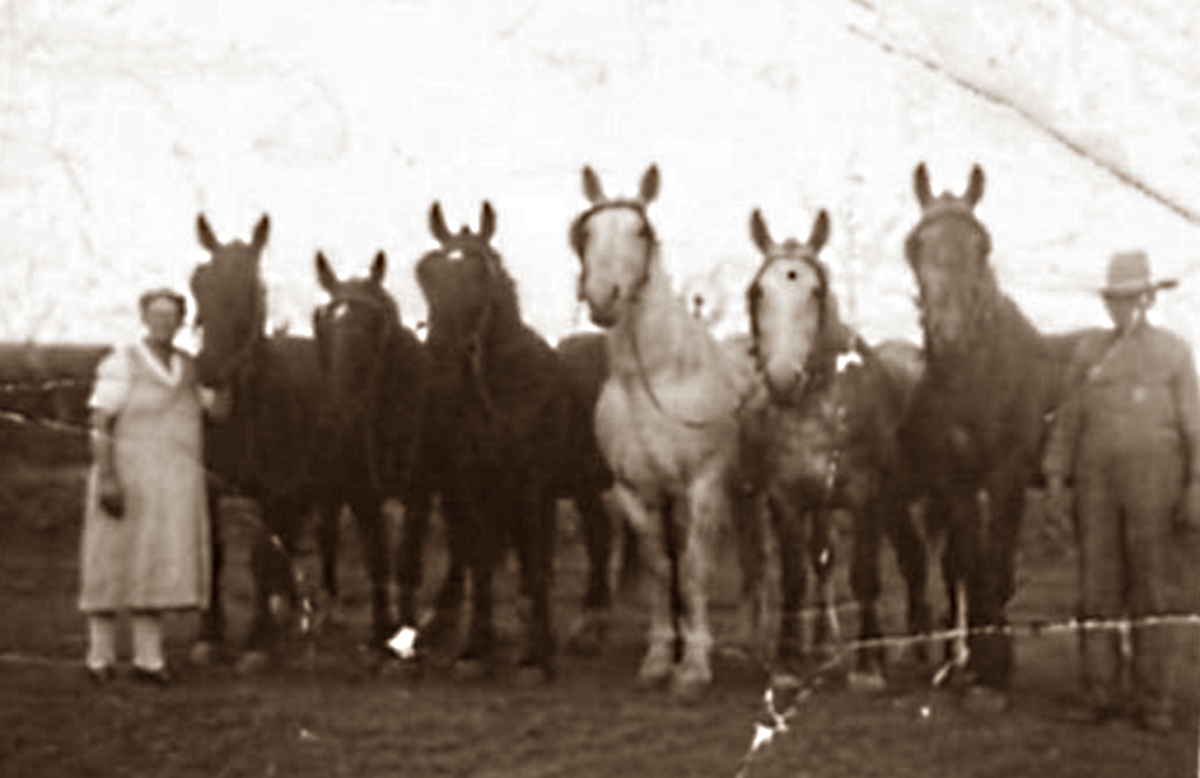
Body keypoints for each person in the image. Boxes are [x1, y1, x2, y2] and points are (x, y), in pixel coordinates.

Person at [1043, 250, 1200, 731]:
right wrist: (1055, 480)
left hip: (1157, 489)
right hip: (1096, 490)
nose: (1122, 308)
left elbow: (1196, 429)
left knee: (1154, 591)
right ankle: (1100, 693)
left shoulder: (1174, 352)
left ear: (1148, 300)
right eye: (1115, 300)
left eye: (1131, 299)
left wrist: (1196, 486)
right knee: (1098, 591)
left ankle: (1156, 700)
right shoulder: (1089, 352)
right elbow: (1067, 422)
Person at [80, 287, 218, 685]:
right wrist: (108, 476)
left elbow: (219, 410)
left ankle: (148, 659)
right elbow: (100, 422)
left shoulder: (189, 366)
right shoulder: (123, 361)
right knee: (110, 560)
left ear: (181, 322)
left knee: (153, 563)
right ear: (144, 319)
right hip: (127, 478)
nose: (164, 323)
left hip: (171, 486)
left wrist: (227, 366)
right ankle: (99, 657)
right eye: (157, 315)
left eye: (171, 316)